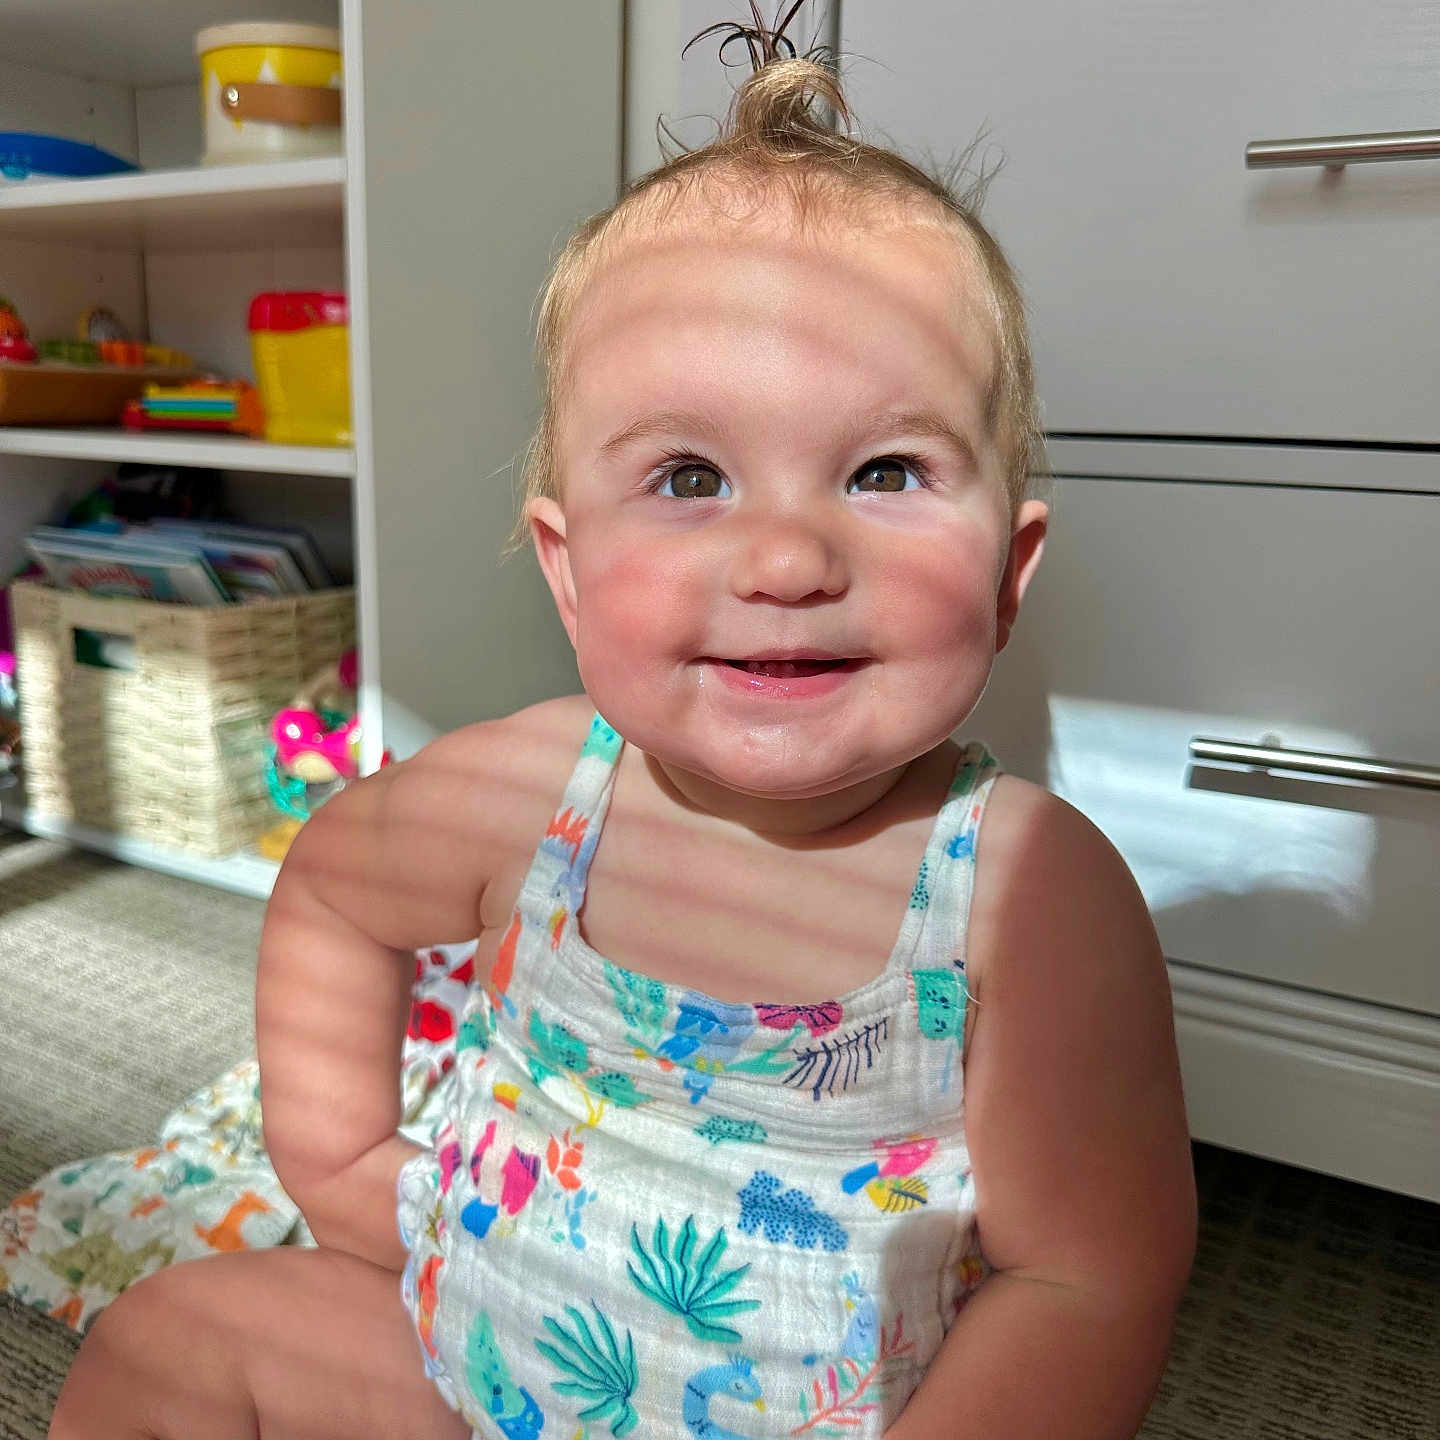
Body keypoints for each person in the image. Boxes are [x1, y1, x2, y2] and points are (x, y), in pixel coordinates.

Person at [49, 15, 1195, 1440]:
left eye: (886, 469)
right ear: (569, 569)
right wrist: (343, 1159)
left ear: (1011, 572)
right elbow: (337, 888)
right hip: (455, 1359)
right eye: (692, 475)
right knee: (170, 1342)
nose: (785, 561)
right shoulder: (530, 793)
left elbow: (1087, 1276)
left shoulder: (1021, 893)